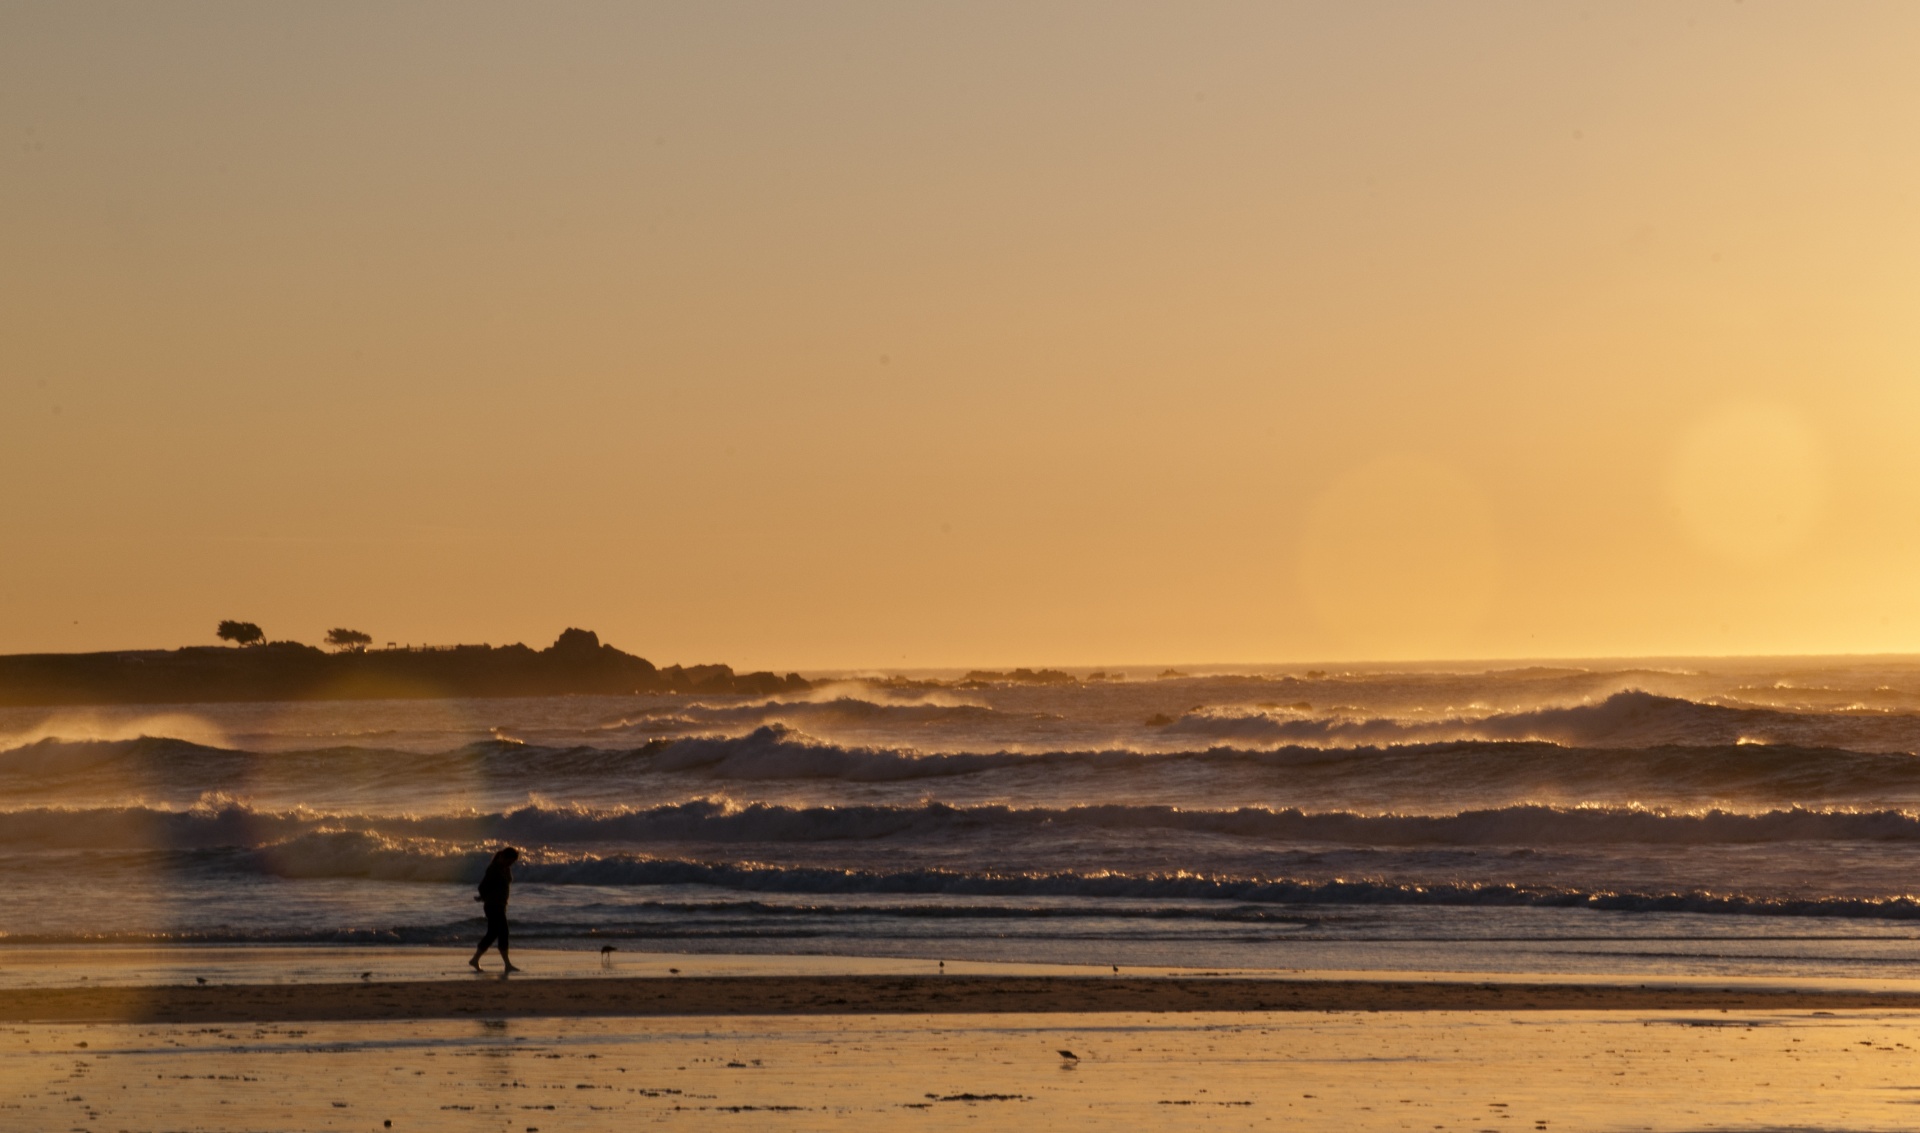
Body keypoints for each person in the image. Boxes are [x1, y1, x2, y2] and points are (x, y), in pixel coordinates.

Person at [469, 846, 521, 972]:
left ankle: (475, 959)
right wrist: (484, 897)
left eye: (513, 862)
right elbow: (482, 886)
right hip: (493, 906)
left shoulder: (505, 868)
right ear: (503, 857)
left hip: (500, 905)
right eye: (510, 861)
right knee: (503, 932)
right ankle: (507, 964)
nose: (511, 864)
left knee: (492, 934)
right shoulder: (493, 869)